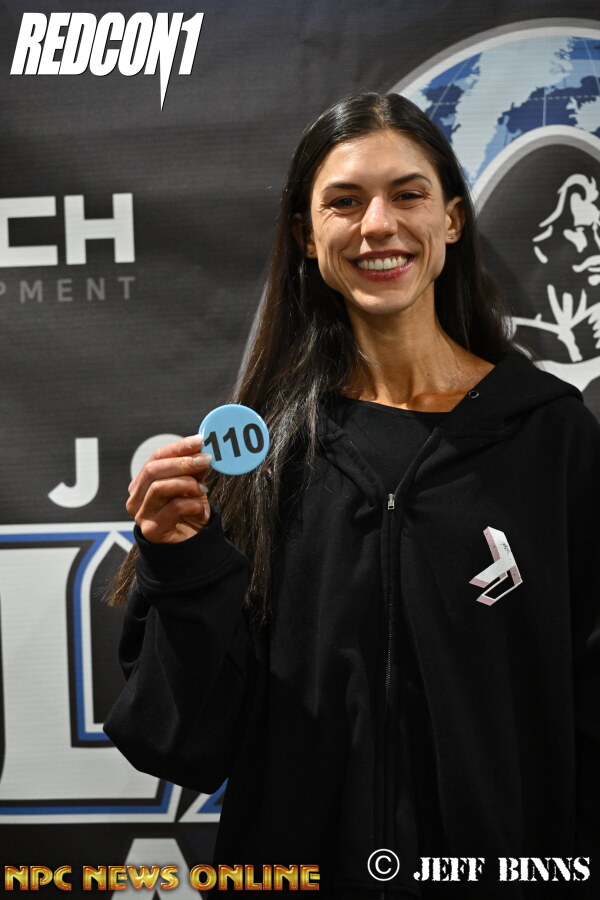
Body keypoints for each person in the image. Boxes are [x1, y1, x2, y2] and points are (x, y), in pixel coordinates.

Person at [104, 93, 600, 898]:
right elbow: (180, 743)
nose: (378, 225)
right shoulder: (255, 460)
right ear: (307, 235)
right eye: (344, 201)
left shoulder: (553, 438)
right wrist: (180, 566)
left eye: (407, 194)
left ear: (452, 220)